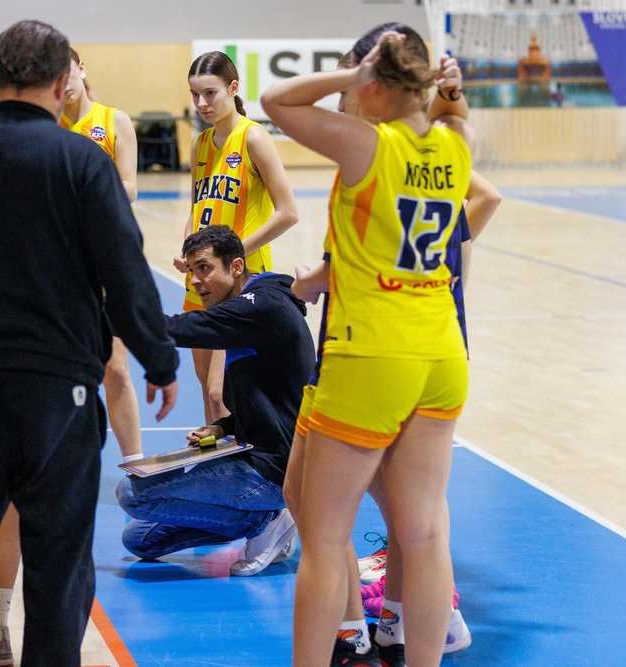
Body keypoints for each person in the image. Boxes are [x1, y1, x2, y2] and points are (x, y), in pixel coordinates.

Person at [0, 20, 179, 666]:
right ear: (60, 82)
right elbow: (125, 270)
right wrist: (160, 358)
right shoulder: (82, 161)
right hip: (57, 396)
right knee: (58, 578)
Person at [262, 27, 473, 667]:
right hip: (441, 352)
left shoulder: (367, 147)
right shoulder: (456, 145)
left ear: (376, 83)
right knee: (425, 533)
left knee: (326, 538)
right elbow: (453, 116)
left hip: (373, 355)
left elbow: (276, 101)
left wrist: (348, 77)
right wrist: (450, 94)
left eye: (361, 83)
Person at [0, 46, 147, 662]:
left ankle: (136, 466)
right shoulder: (42, 131)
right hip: (46, 296)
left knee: (115, 366)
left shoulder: (110, 122)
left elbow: (127, 190)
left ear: (79, 72)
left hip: (94, 264)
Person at [116, 226, 313, 575]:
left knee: (132, 494)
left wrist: (110, 317)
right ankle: (258, 518)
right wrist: (221, 427)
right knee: (140, 541)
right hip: (251, 453)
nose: (195, 280)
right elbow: (273, 400)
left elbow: (183, 327)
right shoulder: (251, 310)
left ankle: (267, 520)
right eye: (191, 270)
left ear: (236, 267)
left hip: (273, 468)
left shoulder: (260, 306)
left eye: (204, 268)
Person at [179, 51, 298, 425]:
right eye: (195, 94)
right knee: (206, 390)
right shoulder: (200, 144)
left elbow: (288, 213)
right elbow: (196, 208)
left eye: (210, 93)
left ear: (232, 88)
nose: (202, 103)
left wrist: (231, 255)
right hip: (201, 278)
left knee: (223, 393)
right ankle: (217, 457)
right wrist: (188, 251)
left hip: (239, 279)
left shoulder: (254, 138)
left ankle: (244, 458)